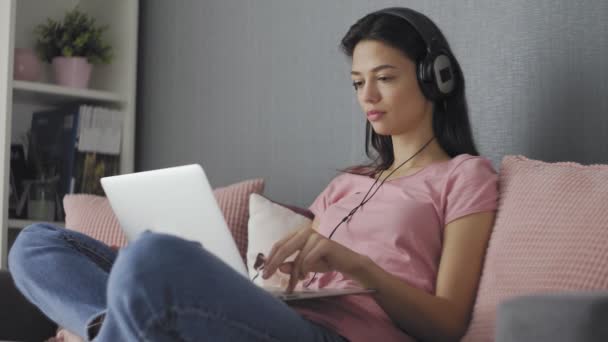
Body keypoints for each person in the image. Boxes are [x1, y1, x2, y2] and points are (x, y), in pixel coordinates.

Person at [8, 7, 497, 342]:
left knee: (155, 258)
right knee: (38, 245)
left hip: (336, 336)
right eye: (357, 82)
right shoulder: (347, 184)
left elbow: (449, 322)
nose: (366, 96)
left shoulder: (464, 177)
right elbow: (292, 268)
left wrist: (358, 265)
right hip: (276, 316)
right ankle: (117, 327)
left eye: (385, 78)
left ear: (437, 78)